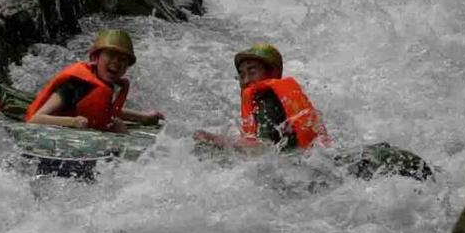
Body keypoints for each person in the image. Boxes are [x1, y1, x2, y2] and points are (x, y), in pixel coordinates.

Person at [194, 43, 329, 151]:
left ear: (271, 72)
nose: (246, 80)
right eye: (241, 75)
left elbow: (263, 150)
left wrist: (218, 141)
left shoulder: (269, 102)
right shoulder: (271, 99)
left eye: (252, 71)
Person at [25, 29, 164, 132]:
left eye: (122, 60)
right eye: (111, 55)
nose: (116, 62)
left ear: (126, 67)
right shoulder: (76, 85)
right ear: (95, 58)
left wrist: (144, 117)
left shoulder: (106, 85)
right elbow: (36, 119)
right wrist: (72, 122)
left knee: (118, 125)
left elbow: (107, 111)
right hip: (51, 136)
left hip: (79, 136)